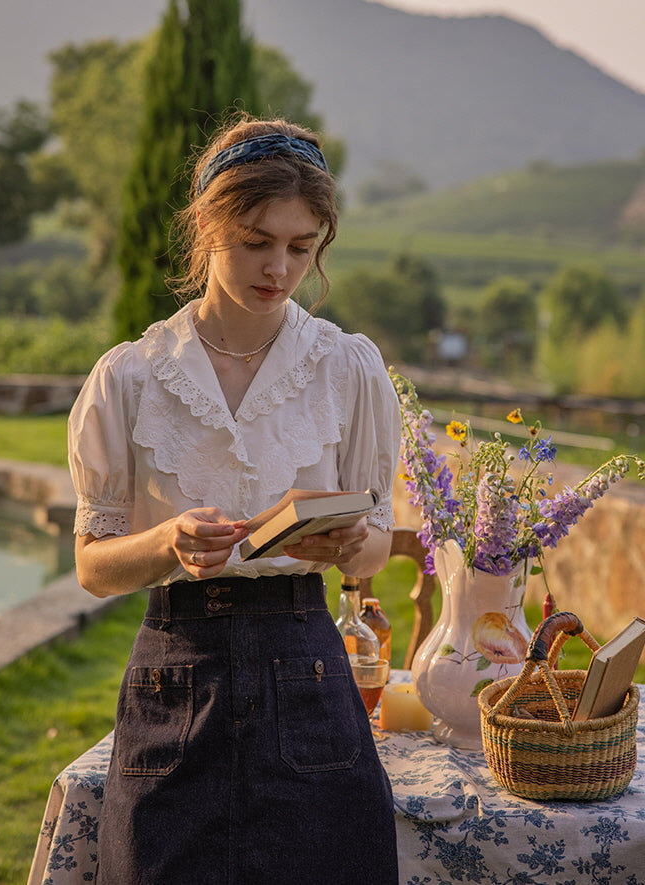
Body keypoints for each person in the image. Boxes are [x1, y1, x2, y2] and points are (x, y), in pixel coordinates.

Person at [68, 115, 402, 884]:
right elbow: (92, 565)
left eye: (301, 247)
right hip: (173, 680)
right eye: (256, 240)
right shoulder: (130, 379)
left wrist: (350, 545)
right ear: (208, 224)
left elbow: (379, 538)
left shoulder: (345, 368)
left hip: (310, 675)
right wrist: (167, 544)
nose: (278, 267)